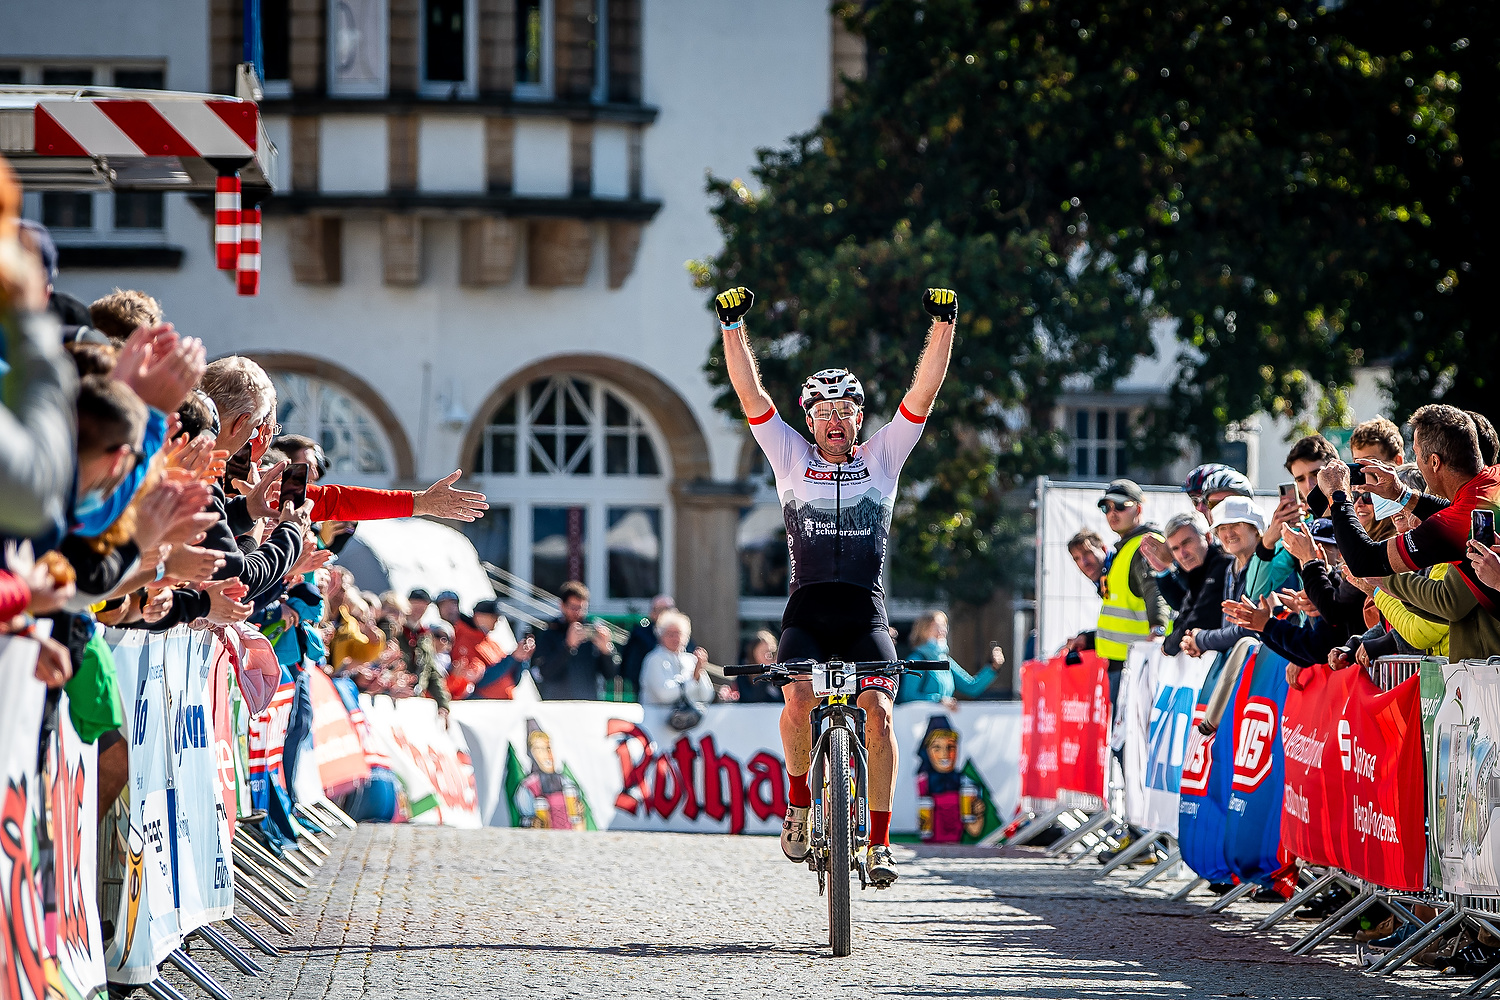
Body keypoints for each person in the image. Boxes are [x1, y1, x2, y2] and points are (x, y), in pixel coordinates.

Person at [716, 283, 957, 887]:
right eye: (822, 411)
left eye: (844, 411)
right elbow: (750, 391)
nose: (834, 420)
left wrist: (942, 322)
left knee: (878, 713)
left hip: (864, 616)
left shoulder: (883, 457)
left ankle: (877, 845)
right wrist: (733, 326)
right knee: (798, 699)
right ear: (809, 417)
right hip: (807, 613)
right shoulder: (789, 456)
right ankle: (799, 806)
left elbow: (923, 390)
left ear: (858, 417)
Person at [1065, 479, 1170, 710]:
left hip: (1141, 663)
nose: (1113, 513)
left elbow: (1156, 591)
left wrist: (1158, 630)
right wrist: (1091, 639)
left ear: (1138, 509)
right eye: (1107, 507)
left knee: (1129, 743)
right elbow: (1125, 614)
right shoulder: (1126, 549)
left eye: (1121, 506)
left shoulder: (1144, 546)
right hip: (1127, 663)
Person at [1179, 497, 1266, 658]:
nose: (1229, 533)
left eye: (1236, 525)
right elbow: (1230, 627)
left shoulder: (1267, 567)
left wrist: (1201, 639)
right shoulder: (1230, 569)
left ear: (1255, 528)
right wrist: (1201, 643)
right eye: (1222, 528)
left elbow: (1250, 629)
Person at [1148, 511, 1231, 656]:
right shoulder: (1196, 572)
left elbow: (1199, 621)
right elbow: (1183, 614)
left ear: (1208, 537)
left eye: (1186, 543)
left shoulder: (1221, 565)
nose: (1183, 554)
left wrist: (1167, 646)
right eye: (1175, 548)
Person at [528, 580, 620, 700]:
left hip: (587, 704)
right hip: (558, 705)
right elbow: (544, 673)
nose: (578, 613)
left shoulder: (592, 633)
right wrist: (567, 647)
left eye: (582, 608)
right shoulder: (550, 633)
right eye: (573, 607)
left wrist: (606, 651)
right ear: (562, 606)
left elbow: (611, 675)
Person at [897, 610, 1003, 705]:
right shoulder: (916, 659)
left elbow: (971, 688)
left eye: (944, 625)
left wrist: (992, 667)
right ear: (923, 630)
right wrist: (938, 700)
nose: (942, 630)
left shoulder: (945, 660)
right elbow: (908, 696)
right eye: (935, 626)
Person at [620, 594, 697, 698]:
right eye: (662, 609)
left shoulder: (684, 642)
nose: (675, 638)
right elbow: (632, 669)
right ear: (652, 613)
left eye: (670, 609)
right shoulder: (640, 637)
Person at [639, 610, 714, 706]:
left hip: (688, 718)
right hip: (656, 717)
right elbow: (663, 695)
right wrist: (693, 680)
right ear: (661, 636)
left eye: (679, 634)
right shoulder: (654, 659)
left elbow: (707, 696)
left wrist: (699, 673)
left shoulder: (691, 660)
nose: (676, 638)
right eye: (670, 634)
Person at [735, 630, 784, 703]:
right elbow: (750, 698)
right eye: (763, 652)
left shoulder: (780, 672)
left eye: (771, 652)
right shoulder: (744, 672)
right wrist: (767, 674)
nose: (768, 656)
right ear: (754, 654)